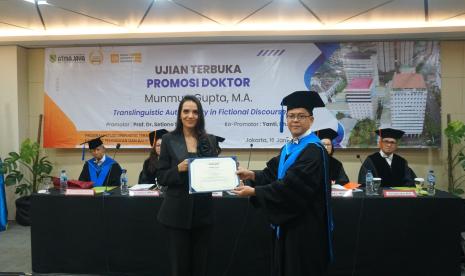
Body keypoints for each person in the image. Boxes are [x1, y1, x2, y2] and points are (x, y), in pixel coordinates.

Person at [234, 91, 333, 276]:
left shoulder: (313, 151)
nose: (295, 120)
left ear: (311, 120)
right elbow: (273, 174)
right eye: (291, 116)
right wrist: (252, 175)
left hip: (305, 227)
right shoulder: (289, 147)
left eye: (301, 116)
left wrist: (255, 192)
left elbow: (291, 187)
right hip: (289, 224)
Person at [156, 95, 221, 276]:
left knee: (201, 265)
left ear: (200, 115)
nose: (190, 115)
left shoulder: (210, 140)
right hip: (177, 213)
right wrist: (178, 168)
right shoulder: (168, 139)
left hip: (203, 212)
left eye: (195, 112)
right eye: (186, 111)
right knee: (180, 266)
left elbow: (214, 172)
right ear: (179, 114)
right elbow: (161, 177)